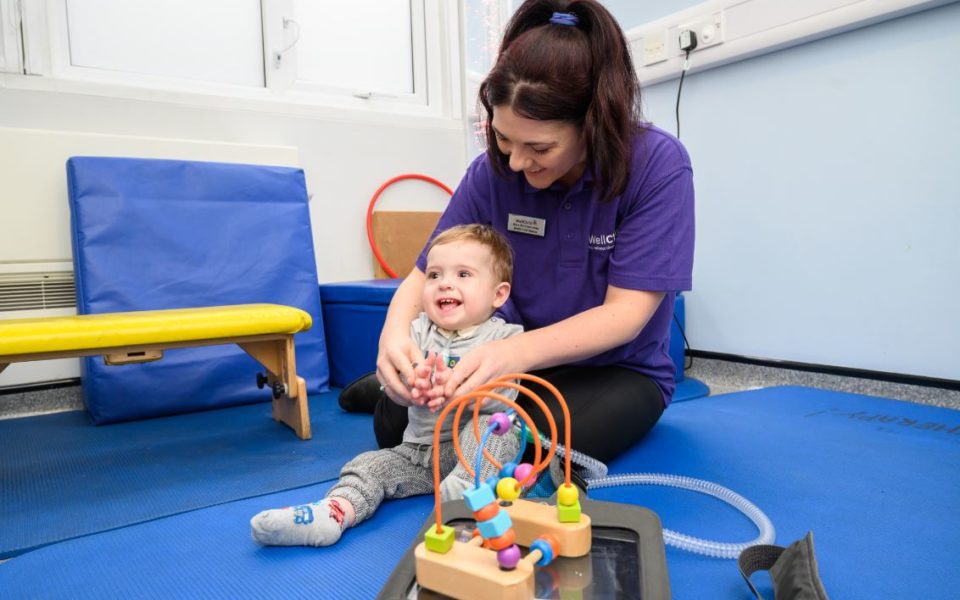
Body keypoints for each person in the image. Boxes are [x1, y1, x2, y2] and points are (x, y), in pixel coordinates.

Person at [348, 0, 695, 466]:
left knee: (535, 450)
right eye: (503, 139)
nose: (514, 162)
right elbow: (421, 274)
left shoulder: (658, 165)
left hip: (614, 369)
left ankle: (438, 381)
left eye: (539, 147)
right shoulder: (492, 171)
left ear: (593, 123)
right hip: (498, 353)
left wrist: (513, 354)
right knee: (394, 428)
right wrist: (394, 341)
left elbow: (627, 314)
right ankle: (401, 381)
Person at [251, 224, 525, 547]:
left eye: (463, 275)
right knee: (369, 465)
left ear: (499, 294)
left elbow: (504, 400)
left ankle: (463, 499)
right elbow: (402, 382)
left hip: (471, 452)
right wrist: (414, 381)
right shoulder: (419, 330)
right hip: (419, 453)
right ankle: (333, 512)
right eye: (435, 275)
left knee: (500, 431)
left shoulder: (505, 337)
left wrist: (458, 387)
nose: (444, 284)